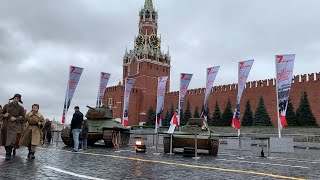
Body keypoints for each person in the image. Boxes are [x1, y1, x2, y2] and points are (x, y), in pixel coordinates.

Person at [0, 94, 26, 160]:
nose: (16, 99)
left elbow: (23, 118)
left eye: (17, 98)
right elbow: (1, 114)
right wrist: (4, 115)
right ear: (13, 98)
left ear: (19, 100)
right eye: (15, 98)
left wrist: (16, 118)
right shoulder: (7, 106)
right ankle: (8, 151)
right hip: (6, 125)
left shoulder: (20, 108)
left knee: (11, 140)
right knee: (5, 140)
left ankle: (8, 153)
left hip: (15, 126)